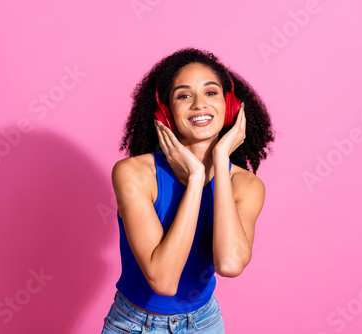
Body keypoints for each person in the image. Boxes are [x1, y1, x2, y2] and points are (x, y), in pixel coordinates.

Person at [101, 48, 274, 333]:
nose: (198, 104)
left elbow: (229, 264)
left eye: (211, 93)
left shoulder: (246, 186)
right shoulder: (133, 174)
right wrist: (196, 178)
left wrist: (220, 159)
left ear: (230, 107)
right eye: (184, 95)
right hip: (133, 325)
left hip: (204, 324)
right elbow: (163, 280)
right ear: (166, 112)